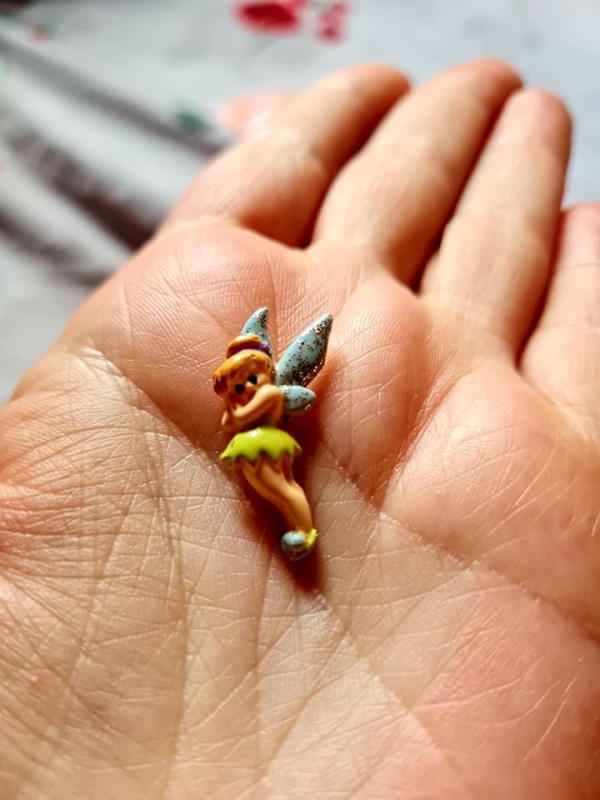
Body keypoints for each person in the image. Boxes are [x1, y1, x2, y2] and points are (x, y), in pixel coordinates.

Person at [1, 59, 599, 797]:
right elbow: (239, 412)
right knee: (271, 492)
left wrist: (260, 402)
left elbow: (260, 409)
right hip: (249, 455)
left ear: (257, 373)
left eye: (244, 377)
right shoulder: (242, 403)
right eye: (234, 381)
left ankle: (303, 531)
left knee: (284, 493)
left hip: (266, 447)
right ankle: (297, 530)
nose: (237, 387)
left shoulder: (260, 402)